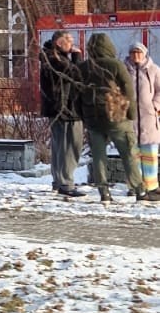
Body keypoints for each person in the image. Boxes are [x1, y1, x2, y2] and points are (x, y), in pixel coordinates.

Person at [79, 33, 144, 204]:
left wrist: (83, 116)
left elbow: (77, 94)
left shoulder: (84, 67)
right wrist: (131, 114)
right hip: (117, 117)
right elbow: (128, 90)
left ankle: (104, 192)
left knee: (98, 157)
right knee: (128, 153)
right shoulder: (116, 65)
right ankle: (139, 189)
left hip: (93, 119)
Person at [39, 29, 84, 196]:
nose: (72, 44)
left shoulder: (52, 57)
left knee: (60, 146)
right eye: (69, 40)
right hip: (65, 109)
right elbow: (76, 74)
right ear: (59, 42)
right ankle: (66, 183)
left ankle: (59, 181)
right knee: (70, 146)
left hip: (61, 108)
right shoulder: (55, 59)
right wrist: (77, 56)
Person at [126, 41, 160, 200]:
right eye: (133, 52)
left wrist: (155, 105)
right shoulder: (124, 69)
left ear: (144, 53)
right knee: (132, 154)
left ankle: (151, 186)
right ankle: (135, 186)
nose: (136, 55)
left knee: (150, 154)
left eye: (139, 52)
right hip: (130, 118)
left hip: (148, 118)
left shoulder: (154, 70)